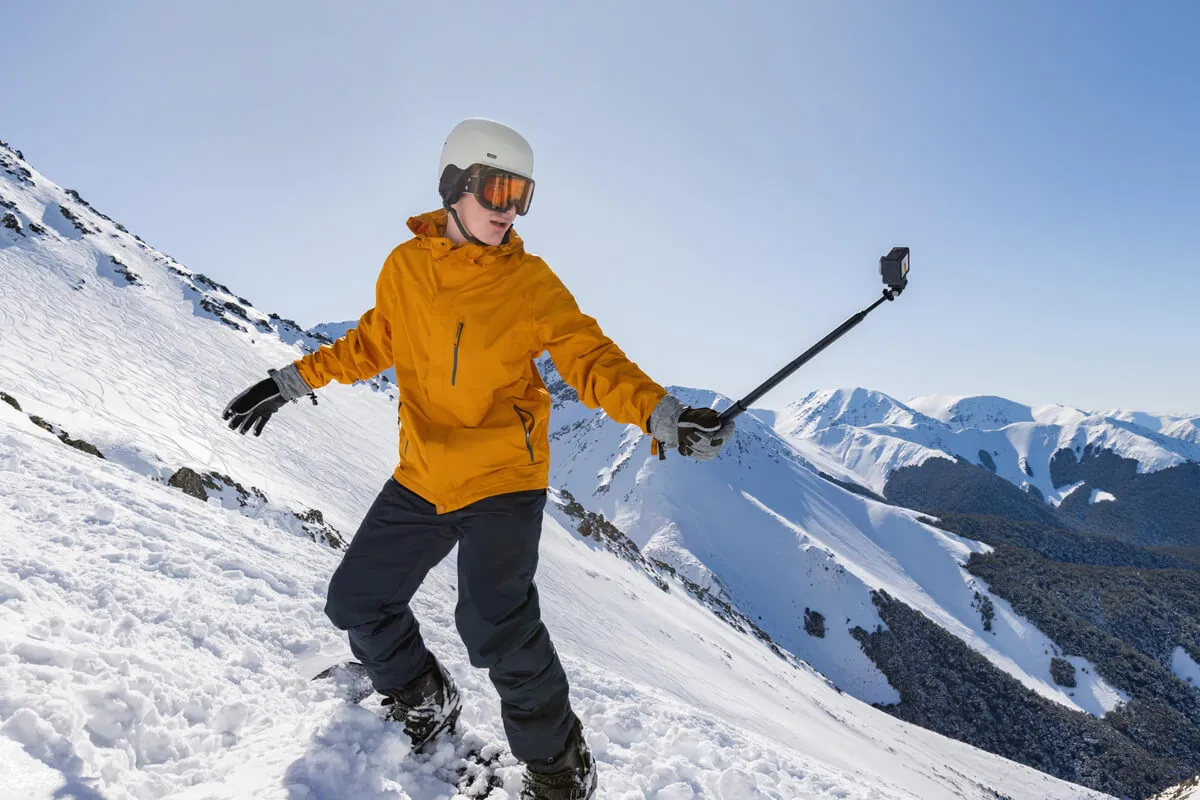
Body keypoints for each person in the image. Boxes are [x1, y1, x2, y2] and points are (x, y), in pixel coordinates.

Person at [222, 118, 735, 800]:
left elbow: (590, 358)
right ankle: (423, 697)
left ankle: (561, 772)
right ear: (453, 185)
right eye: (497, 189)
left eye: (522, 195)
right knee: (356, 601)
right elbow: (372, 342)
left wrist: (663, 415)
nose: (509, 209)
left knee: (494, 624)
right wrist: (289, 381)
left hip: (503, 478)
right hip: (424, 474)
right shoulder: (405, 267)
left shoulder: (529, 283)